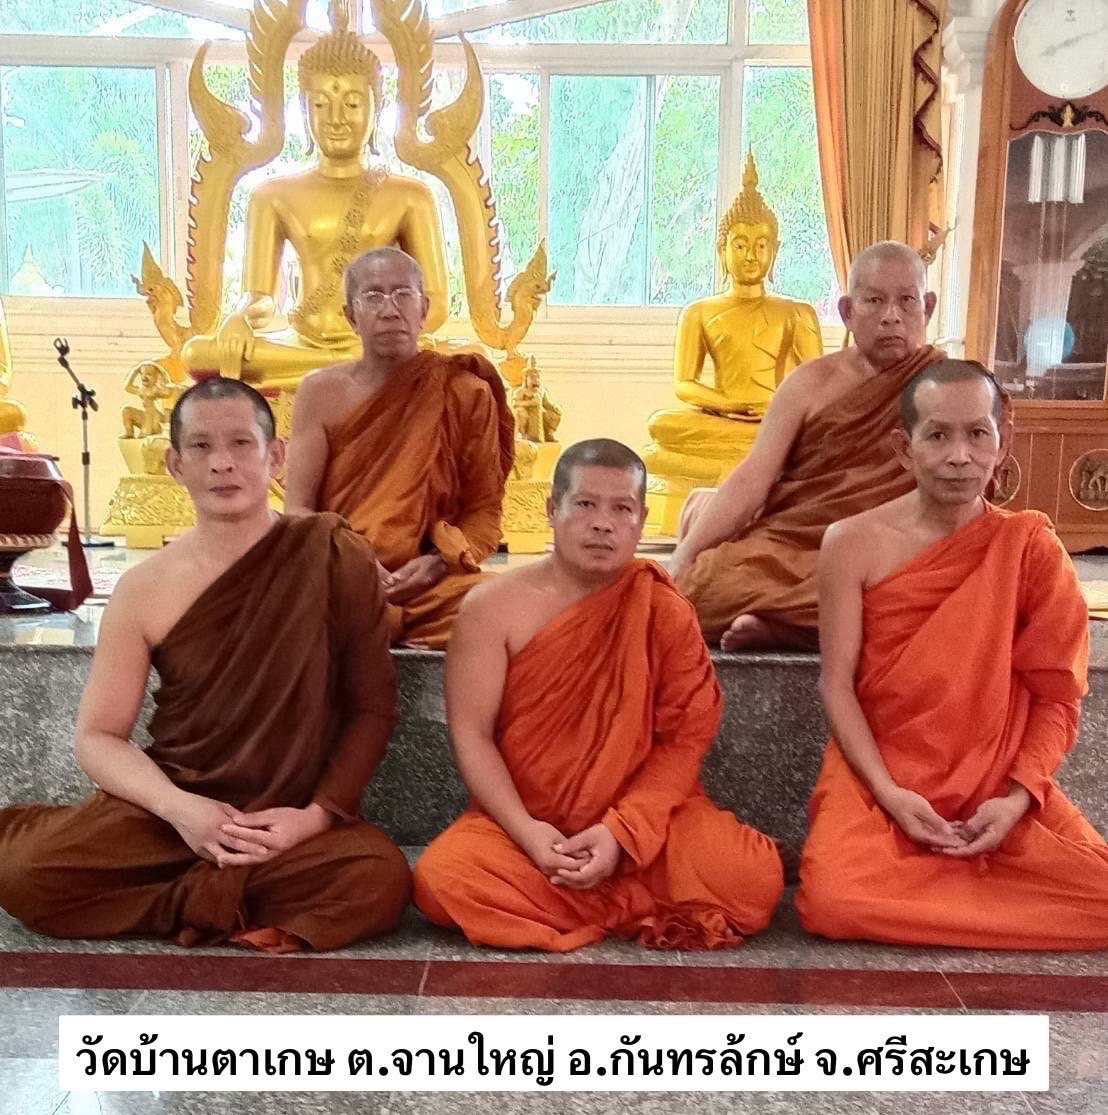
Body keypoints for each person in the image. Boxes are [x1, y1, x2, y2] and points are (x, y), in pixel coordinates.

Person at [0, 378, 410, 952]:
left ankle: (197, 899)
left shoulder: (333, 553)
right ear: (175, 464)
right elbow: (98, 736)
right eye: (201, 446)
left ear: (276, 456)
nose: (222, 463)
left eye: (242, 443)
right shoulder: (143, 588)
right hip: (173, 815)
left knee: (379, 879)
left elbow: (372, 708)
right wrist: (182, 811)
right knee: (28, 875)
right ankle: (219, 899)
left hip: (285, 821)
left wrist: (314, 818)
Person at [413, 439, 784, 952]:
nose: (603, 524)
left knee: (755, 880)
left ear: (641, 520)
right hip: (530, 826)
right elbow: (473, 735)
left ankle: (589, 900)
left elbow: (684, 741)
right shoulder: (491, 608)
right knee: (442, 880)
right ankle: (634, 905)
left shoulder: (663, 609)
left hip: (643, 830)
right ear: (552, 510)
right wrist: (528, 832)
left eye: (622, 509)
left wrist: (620, 833)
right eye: (585, 504)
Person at [797, 360, 1108, 949]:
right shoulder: (851, 542)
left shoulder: (1030, 548)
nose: (959, 456)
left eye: (977, 434)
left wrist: (1016, 799)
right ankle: (967, 886)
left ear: (1002, 442)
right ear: (903, 447)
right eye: (937, 435)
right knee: (833, 902)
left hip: (996, 781)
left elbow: (1057, 699)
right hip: (879, 775)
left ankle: (942, 884)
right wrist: (889, 793)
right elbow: (836, 684)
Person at [670, 240, 945, 650]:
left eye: (906, 301)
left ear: (928, 307)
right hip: (791, 549)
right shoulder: (809, 384)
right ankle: (808, 625)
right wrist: (683, 557)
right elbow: (753, 477)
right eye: (874, 301)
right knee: (701, 588)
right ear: (847, 312)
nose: (892, 316)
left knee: (925, 594)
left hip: (887, 553)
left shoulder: (947, 387)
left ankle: (784, 627)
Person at [285, 247, 514, 650]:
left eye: (403, 294)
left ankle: (385, 622)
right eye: (373, 296)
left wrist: (440, 561)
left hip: (431, 585)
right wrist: (350, 561)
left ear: (424, 309)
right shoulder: (319, 393)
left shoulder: (465, 391)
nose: (390, 310)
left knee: (504, 605)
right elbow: (298, 510)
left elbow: (484, 512)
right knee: (274, 605)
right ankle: (382, 622)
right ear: (351, 317)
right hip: (339, 576)